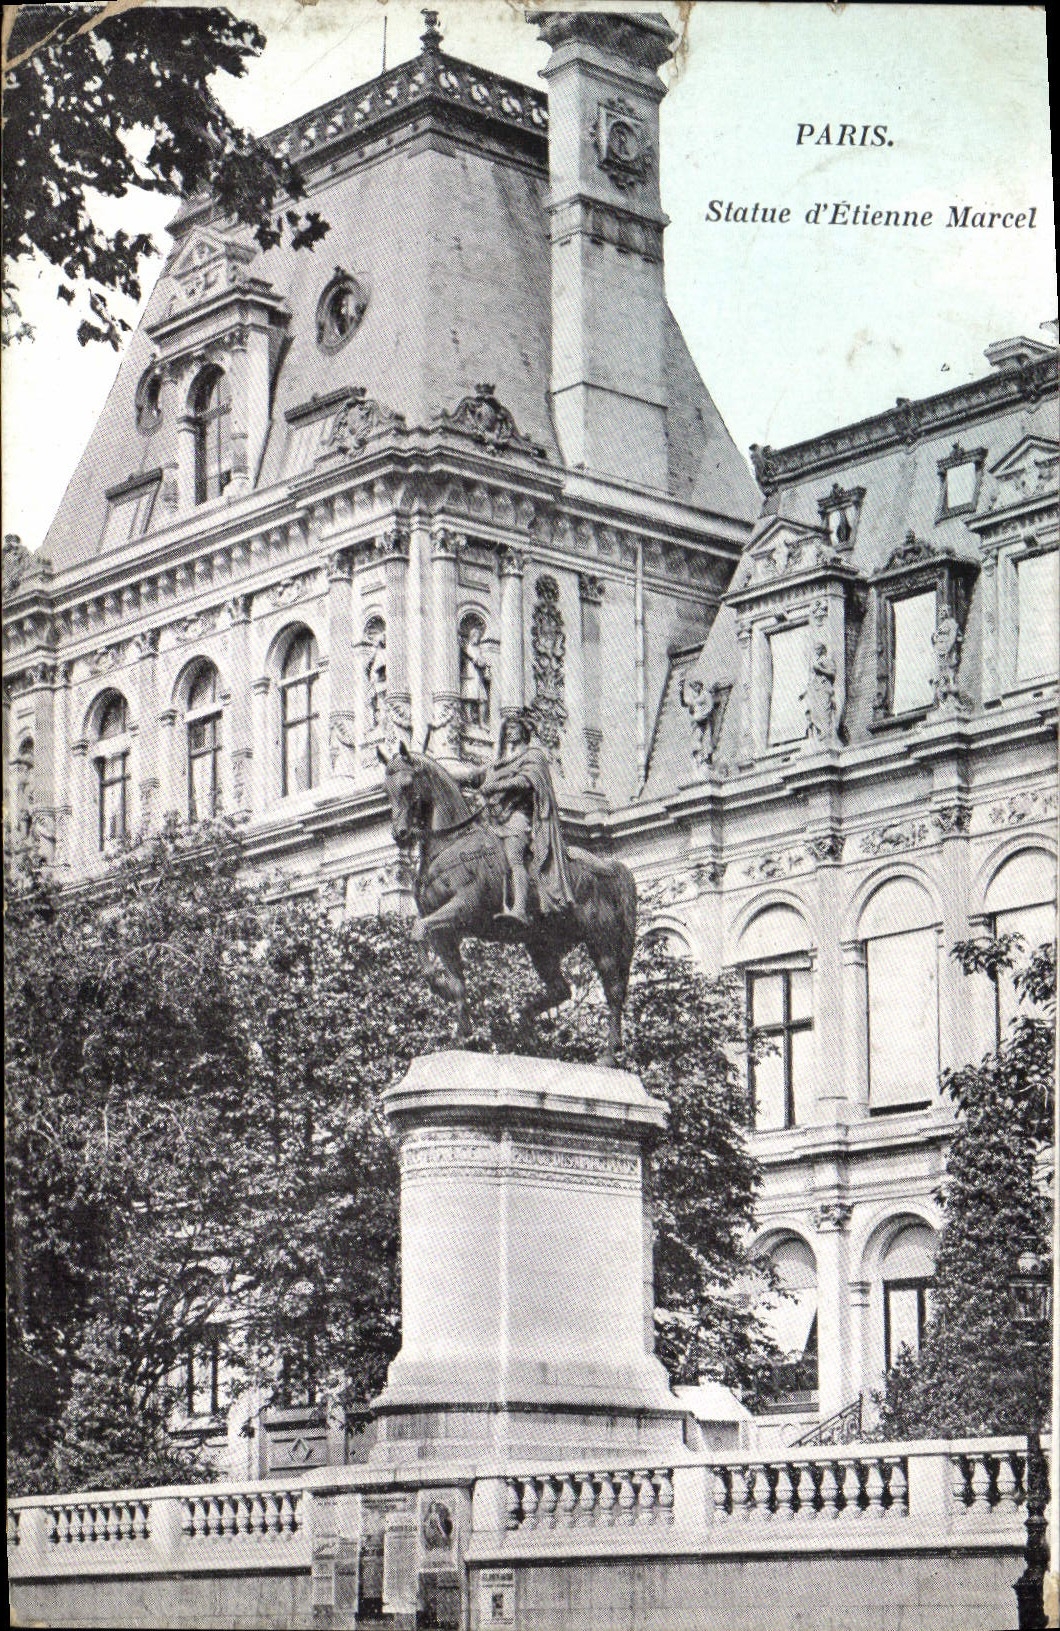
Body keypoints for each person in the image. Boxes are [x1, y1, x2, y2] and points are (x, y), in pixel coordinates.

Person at [457, 713, 574, 924]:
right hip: (492, 820)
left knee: (514, 857)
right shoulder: (498, 764)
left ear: (524, 731)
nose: (510, 731)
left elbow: (525, 781)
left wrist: (495, 786)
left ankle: (520, 908)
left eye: (514, 728)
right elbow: (471, 777)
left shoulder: (533, 756)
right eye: (508, 728)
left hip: (518, 817)